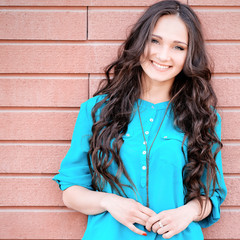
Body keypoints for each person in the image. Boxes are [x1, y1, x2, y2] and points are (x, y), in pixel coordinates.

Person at [53, 1, 227, 239]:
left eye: (178, 47)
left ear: (189, 55)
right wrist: (110, 202)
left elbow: (211, 195)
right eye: (154, 41)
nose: (163, 55)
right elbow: (71, 191)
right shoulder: (96, 111)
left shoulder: (203, 118)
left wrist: (188, 212)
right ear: (139, 42)